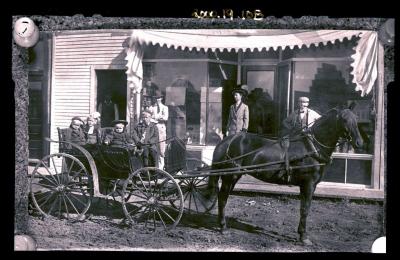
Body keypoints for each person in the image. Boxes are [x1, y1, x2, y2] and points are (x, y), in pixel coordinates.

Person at [281, 96, 322, 181]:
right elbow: (284, 122)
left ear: (307, 104)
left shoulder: (312, 113)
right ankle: (287, 167)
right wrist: (291, 128)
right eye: (301, 103)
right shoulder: (294, 113)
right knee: (287, 148)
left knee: (313, 151)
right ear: (298, 104)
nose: (302, 105)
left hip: (308, 136)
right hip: (295, 136)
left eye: (304, 103)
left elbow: (321, 120)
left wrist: (313, 128)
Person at [149, 90, 169, 170]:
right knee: (152, 148)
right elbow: (148, 118)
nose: (157, 99)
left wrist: (155, 118)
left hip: (161, 129)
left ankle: (160, 169)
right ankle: (153, 168)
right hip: (152, 129)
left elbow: (165, 118)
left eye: (159, 98)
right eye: (156, 98)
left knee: (161, 149)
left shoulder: (165, 108)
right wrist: (158, 118)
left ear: (161, 98)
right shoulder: (151, 108)